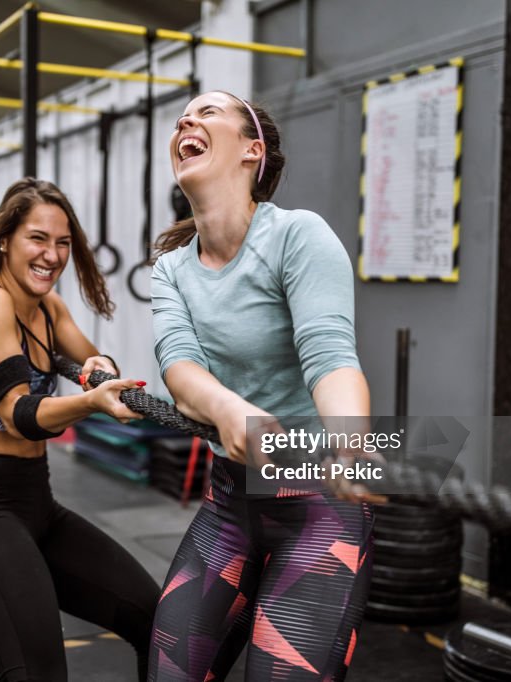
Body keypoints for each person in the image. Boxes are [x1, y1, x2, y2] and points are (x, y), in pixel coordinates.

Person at [148, 91, 375, 680]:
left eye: (209, 112)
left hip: (318, 501)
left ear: (253, 152)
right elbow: (179, 368)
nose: (187, 121)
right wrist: (229, 410)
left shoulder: (297, 236)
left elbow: (329, 355)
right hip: (231, 500)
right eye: (183, 116)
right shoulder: (172, 269)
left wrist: (351, 442)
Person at [0, 177, 160, 681]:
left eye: (63, 243)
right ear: (5, 241)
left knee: (156, 621)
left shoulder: (48, 309)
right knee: (39, 674)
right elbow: (19, 416)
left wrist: (99, 365)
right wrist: (91, 400)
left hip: (37, 503)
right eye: (37, 238)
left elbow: (93, 363)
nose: (52, 255)